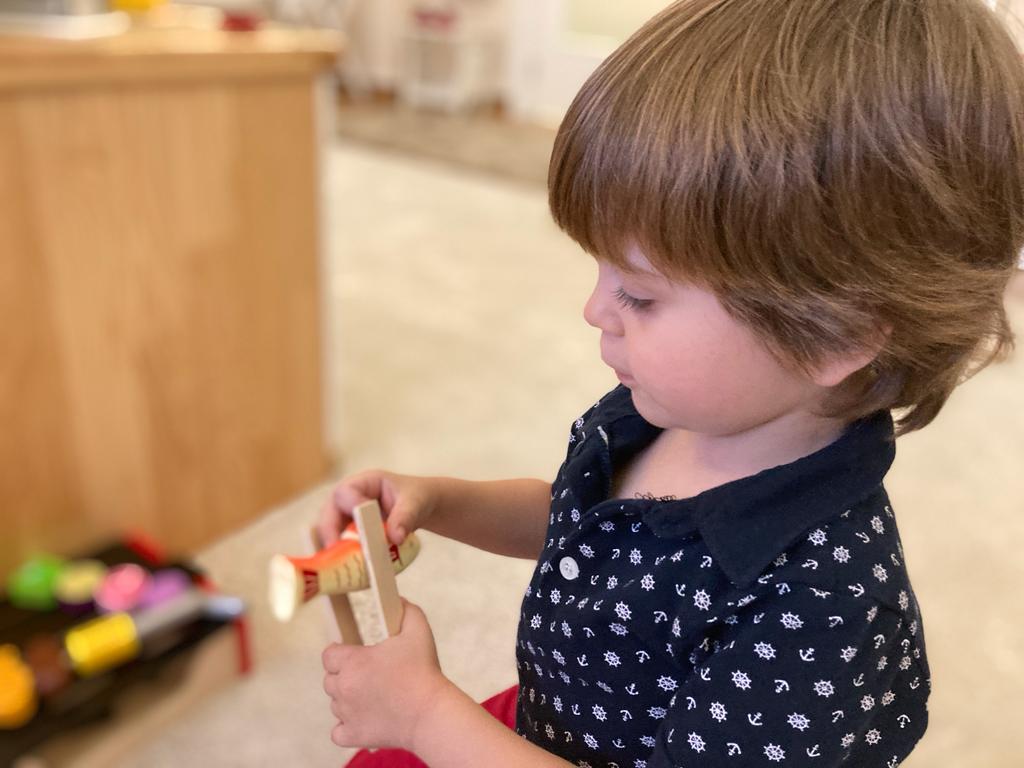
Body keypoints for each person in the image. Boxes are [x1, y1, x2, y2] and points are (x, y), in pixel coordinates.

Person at [318, 0, 1024, 765]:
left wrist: (426, 714)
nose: (595, 310)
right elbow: (587, 526)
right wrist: (441, 502)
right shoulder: (665, 415)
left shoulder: (819, 615)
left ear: (835, 335)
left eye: (640, 295)